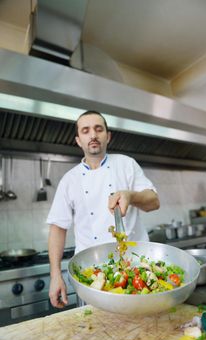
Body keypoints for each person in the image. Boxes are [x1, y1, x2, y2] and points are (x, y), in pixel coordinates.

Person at [47, 110, 160, 308]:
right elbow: (58, 228)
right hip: (91, 274)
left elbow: (153, 202)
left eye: (98, 129)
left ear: (108, 136)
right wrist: (55, 275)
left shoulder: (127, 164)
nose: (93, 135)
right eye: (86, 130)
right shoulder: (69, 180)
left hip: (135, 269)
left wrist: (130, 195)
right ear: (78, 140)